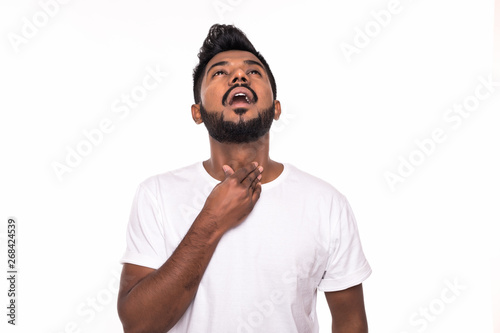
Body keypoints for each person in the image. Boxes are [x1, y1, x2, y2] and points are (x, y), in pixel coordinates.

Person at [117, 24, 371, 333]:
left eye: (253, 72)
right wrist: (212, 219)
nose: (239, 77)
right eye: (220, 73)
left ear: (276, 108)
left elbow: (350, 321)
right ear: (197, 112)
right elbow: (139, 324)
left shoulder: (326, 202)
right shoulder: (156, 195)